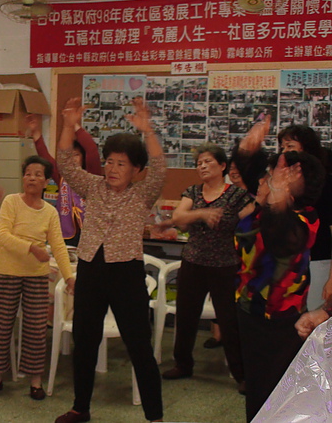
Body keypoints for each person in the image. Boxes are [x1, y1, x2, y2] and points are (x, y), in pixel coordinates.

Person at [55, 98, 165, 423]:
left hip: (126, 275)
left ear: (135, 170)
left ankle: (155, 417)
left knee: (140, 349)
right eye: (110, 162)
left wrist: (148, 131)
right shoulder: (93, 186)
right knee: (85, 342)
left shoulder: (142, 193)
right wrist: (67, 125)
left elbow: (160, 169)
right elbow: (65, 163)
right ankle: (81, 408)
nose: (113, 169)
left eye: (122, 164)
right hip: (90, 269)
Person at [233, 120, 325, 422]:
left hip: (280, 322)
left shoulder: (305, 219)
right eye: (272, 173)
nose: (270, 178)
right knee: (255, 392)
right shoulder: (264, 205)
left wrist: (278, 195)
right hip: (248, 313)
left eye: (282, 174)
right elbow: (248, 166)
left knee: (273, 395)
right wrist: (249, 144)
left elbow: (283, 240)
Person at [160, 143, 252, 395]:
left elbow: (253, 217)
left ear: (222, 166)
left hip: (225, 265)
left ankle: (241, 373)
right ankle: (183, 364)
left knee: (229, 321)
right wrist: (202, 213)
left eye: (208, 161)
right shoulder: (193, 192)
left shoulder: (236, 195)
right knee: (186, 315)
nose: (202, 166)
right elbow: (178, 218)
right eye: (199, 162)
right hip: (193, 262)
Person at [0, 155, 74, 401]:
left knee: (35, 329)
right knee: (1, 326)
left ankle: (35, 381)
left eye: (37, 175)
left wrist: (70, 276)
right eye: (28, 173)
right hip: (5, 272)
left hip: (36, 276)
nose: (31, 178)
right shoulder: (11, 202)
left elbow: (59, 247)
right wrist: (31, 248)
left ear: (46, 182)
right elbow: (1, 235)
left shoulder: (50, 212)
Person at [27, 98, 102, 246]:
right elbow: (46, 158)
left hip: (90, 234)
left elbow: (92, 150)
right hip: (66, 233)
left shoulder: (93, 176)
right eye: (70, 155)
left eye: (76, 155)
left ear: (83, 158)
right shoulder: (63, 177)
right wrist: (36, 134)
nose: (73, 159)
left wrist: (74, 125)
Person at [277, 125, 332, 312]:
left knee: (313, 316)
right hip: (290, 258)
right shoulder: (284, 182)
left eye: (290, 147)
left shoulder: (324, 182)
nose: (285, 152)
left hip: (318, 259)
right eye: (282, 148)